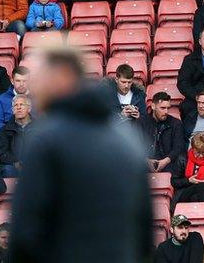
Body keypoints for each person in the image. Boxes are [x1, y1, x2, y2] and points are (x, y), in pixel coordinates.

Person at [9, 47, 152, 262]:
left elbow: (26, 228)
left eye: (41, 78)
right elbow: (144, 228)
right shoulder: (127, 140)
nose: (35, 87)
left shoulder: (47, 138)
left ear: (60, 79)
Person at [170, 132, 204, 207]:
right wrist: (188, 181)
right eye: (198, 152)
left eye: (203, 152)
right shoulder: (182, 159)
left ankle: (201, 214)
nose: (200, 155)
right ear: (192, 149)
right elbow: (174, 182)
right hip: (185, 192)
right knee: (200, 186)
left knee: (198, 191)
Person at [137, 91, 184, 173]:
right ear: (153, 106)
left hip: (169, 164)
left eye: (168, 108)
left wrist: (165, 161)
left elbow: (178, 147)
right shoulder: (141, 122)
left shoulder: (176, 123)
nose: (166, 112)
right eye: (162, 108)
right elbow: (135, 145)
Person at [0, 94, 34, 178]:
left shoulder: (38, 128)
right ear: (13, 110)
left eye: (22, 104)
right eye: (15, 105)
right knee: (7, 170)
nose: (18, 107)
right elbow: (2, 154)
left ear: (29, 109)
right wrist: (16, 163)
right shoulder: (5, 130)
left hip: (34, 164)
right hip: (13, 166)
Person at [0, 66, 29, 133]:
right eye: (18, 81)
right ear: (12, 81)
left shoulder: (38, 98)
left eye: (25, 81)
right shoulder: (2, 99)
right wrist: (10, 132)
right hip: (10, 137)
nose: (21, 84)